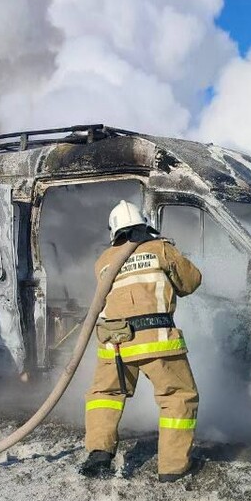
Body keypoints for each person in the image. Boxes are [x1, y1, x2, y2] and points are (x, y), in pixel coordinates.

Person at [81, 200, 202, 482]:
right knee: (178, 398)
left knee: (104, 396)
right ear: (144, 223)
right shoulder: (160, 249)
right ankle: (172, 468)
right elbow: (191, 281)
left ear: (114, 231)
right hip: (157, 341)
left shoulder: (104, 260)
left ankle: (99, 455)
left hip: (115, 343)